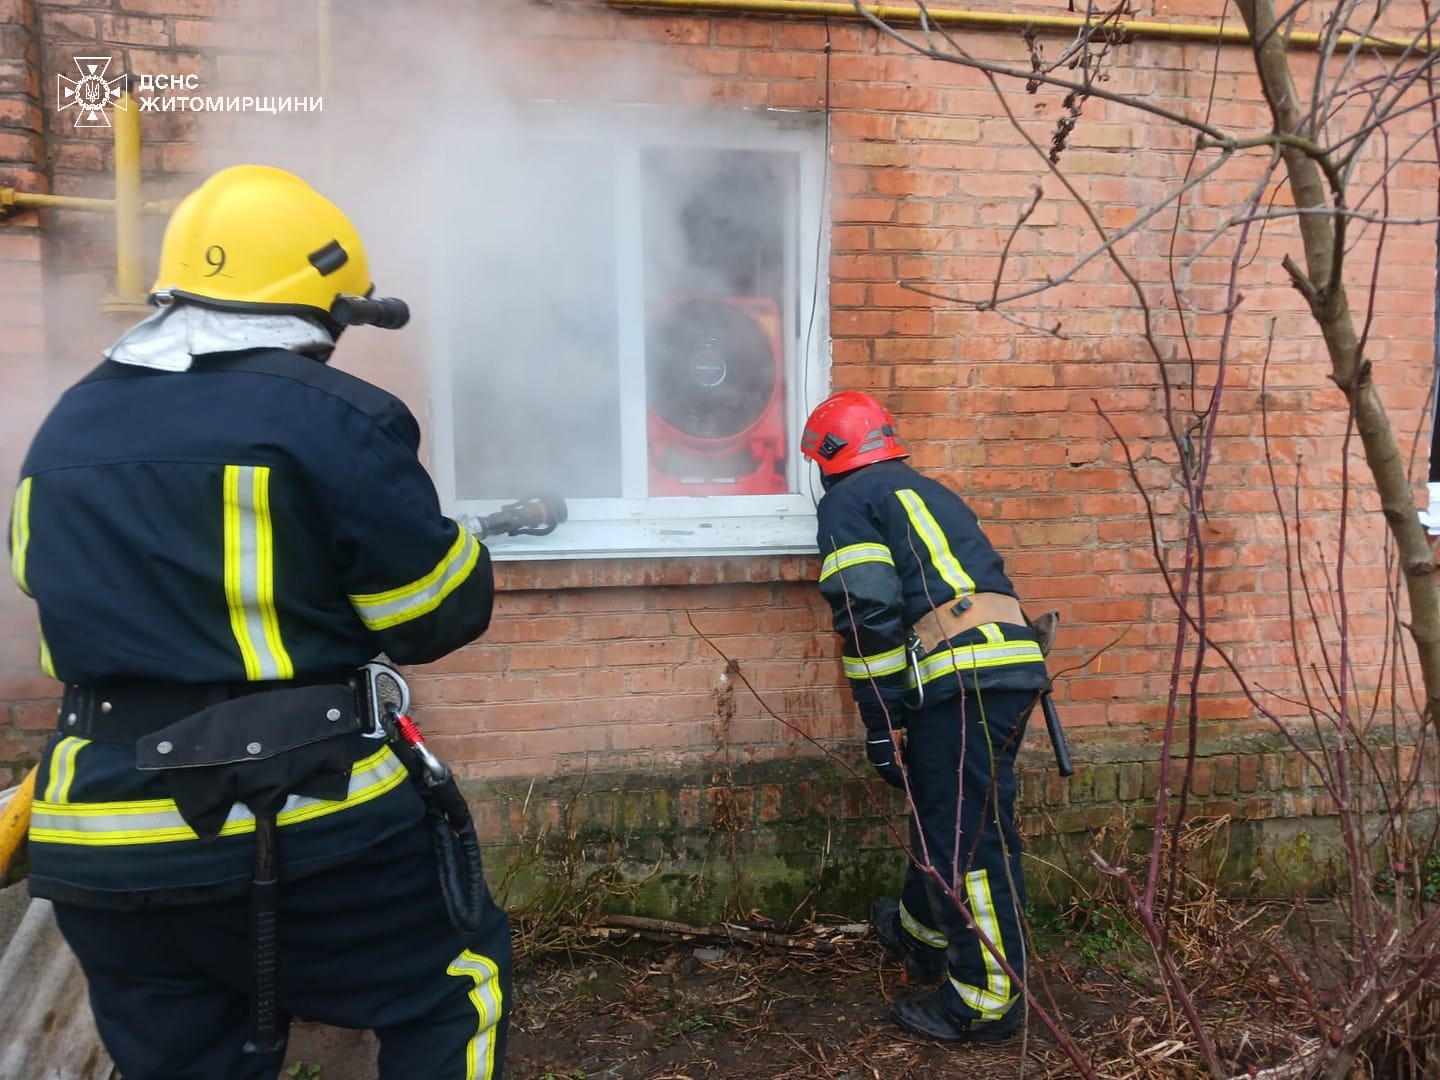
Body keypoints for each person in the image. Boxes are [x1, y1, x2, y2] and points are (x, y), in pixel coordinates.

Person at [8, 164, 511, 1079]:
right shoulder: (334, 416)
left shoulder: (63, 428)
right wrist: (463, 546)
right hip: (298, 815)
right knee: (455, 983)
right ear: (320, 303)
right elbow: (433, 616)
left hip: (99, 844)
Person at [799, 390, 1050, 1044]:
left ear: (828, 460)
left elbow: (868, 611)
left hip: (960, 681)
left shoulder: (847, 502)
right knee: (951, 811)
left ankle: (988, 1001)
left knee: (967, 839)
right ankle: (920, 933)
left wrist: (880, 724)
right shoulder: (925, 491)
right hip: (1009, 669)